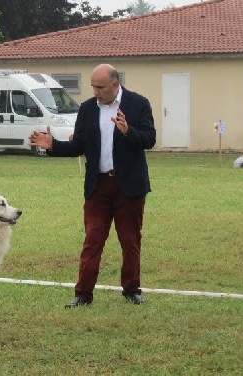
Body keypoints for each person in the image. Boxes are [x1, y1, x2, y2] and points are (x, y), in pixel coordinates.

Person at [29, 64, 156, 306]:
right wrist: (53, 145)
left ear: (115, 85)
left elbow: (150, 139)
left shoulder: (138, 104)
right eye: (93, 87)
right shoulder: (87, 109)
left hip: (128, 186)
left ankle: (131, 290)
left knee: (130, 241)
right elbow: (79, 145)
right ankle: (82, 294)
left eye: (100, 87)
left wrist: (128, 131)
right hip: (98, 187)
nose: (95, 92)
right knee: (92, 240)